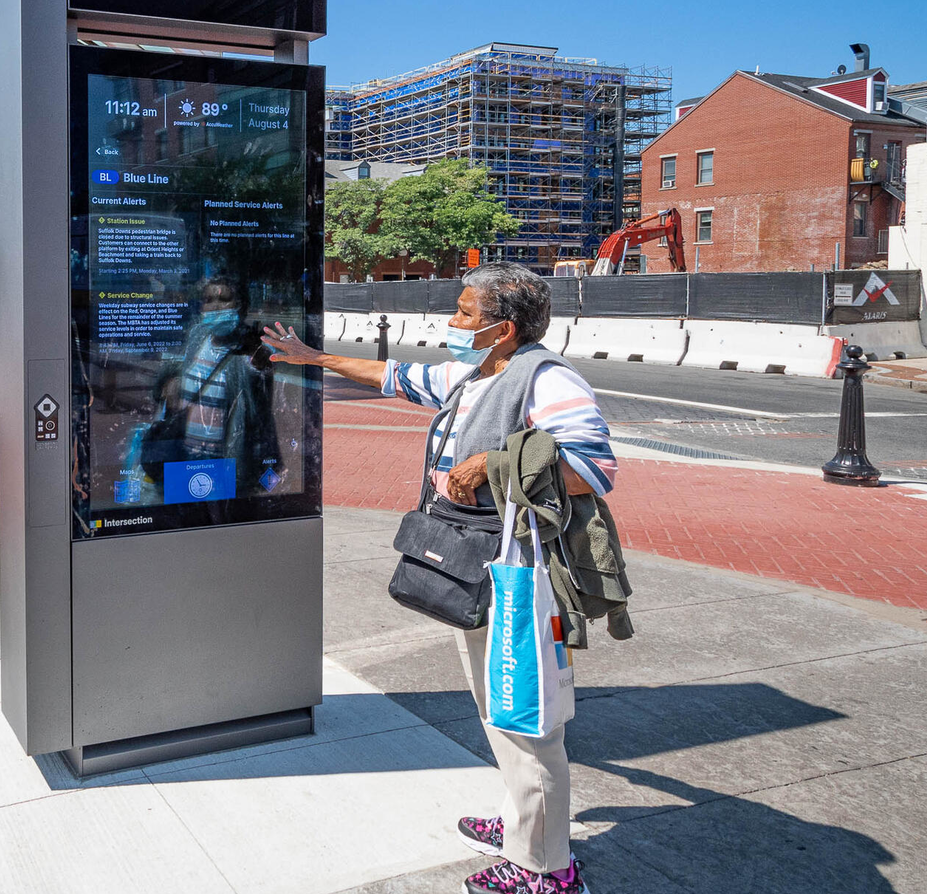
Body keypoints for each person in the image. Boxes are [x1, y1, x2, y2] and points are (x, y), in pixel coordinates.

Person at [262, 262, 612, 894]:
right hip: (475, 564)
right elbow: (394, 375)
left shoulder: (546, 379)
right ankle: (520, 822)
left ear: (504, 329)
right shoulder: (477, 373)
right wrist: (313, 358)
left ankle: (547, 868)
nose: (452, 322)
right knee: (494, 705)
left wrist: (490, 464)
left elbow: (593, 468)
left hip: (516, 576)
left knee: (525, 718)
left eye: (465, 313)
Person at [146, 276, 281, 499]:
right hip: (184, 454)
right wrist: (171, 380)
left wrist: (261, 358)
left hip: (223, 459)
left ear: (240, 305)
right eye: (208, 300)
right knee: (184, 512)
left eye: (224, 299)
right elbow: (179, 367)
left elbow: (260, 377)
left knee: (220, 513)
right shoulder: (197, 336)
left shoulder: (248, 350)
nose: (215, 307)